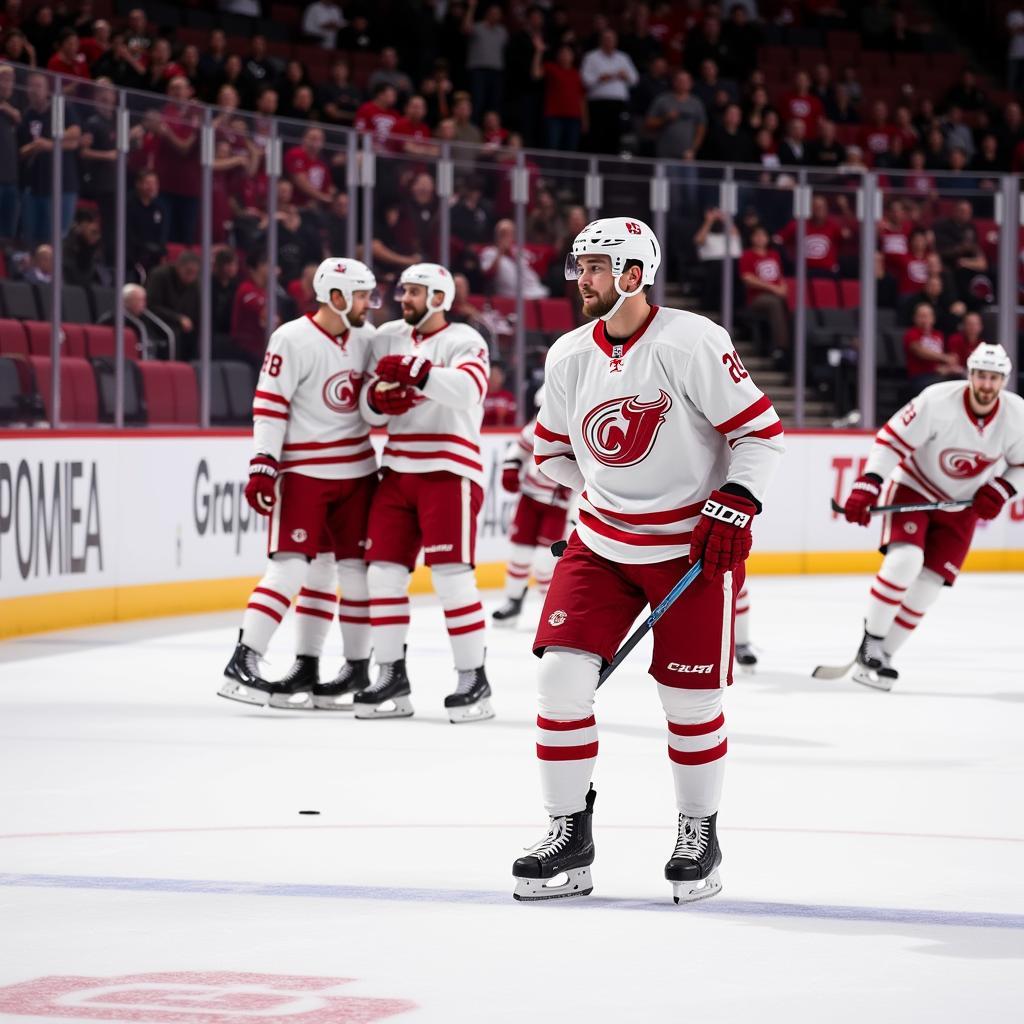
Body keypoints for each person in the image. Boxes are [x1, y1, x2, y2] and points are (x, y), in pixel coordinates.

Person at [511, 217, 783, 903]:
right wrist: (603, 496)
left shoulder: (692, 342)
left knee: (690, 704)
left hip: (688, 550)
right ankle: (568, 833)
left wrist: (737, 497)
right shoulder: (570, 353)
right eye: (581, 266)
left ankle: (700, 832)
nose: (582, 279)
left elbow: (759, 435)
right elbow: (550, 453)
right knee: (562, 683)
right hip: (600, 544)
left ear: (634, 274)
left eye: (596, 268)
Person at [219, 258, 383, 710]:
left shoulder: (368, 338)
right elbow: (270, 406)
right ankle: (243, 660)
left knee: (350, 573)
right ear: (336, 297)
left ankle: (346, 667)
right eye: (363, 296)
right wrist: (263, 463)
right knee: (291, 568)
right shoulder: (291, 338)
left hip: (359, 473)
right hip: (305, 474)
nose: (370, 305)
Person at [838, 344, 1024, 690]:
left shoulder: (1017, 415)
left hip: (963, 505)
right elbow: (892, 440)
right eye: (981, 375)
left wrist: (1002, 489)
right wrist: (870, 482)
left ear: (1004, 381)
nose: (986, 384)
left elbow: (1021, 464)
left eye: (994, 378)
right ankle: (871, 642)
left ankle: (884, 655)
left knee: (930, 586)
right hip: (915, 487)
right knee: (905, 561)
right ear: (970, 375)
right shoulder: (937, 400)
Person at [356, 263, 493, 723]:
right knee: (383, 576)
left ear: (439, 297)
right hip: (396, 468)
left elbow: (469, 391)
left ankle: (474, 678)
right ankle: (391, 674)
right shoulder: (387, 335)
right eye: (403, 290)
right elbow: (368, 406)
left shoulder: (465, 340)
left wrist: (420, 373)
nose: (404, 298)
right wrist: (376, 402)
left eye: (414, 291)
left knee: (452, 579)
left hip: (449, 471)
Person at [492, 391, 573, 628]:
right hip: (529, 498)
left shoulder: (579, 431)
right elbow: (518, 450)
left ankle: (551, 608)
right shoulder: (537, 427)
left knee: (544, 560)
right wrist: (511, 467)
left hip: (557, 505)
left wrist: (576, 513)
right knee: (519, 552)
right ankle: (512, 601)